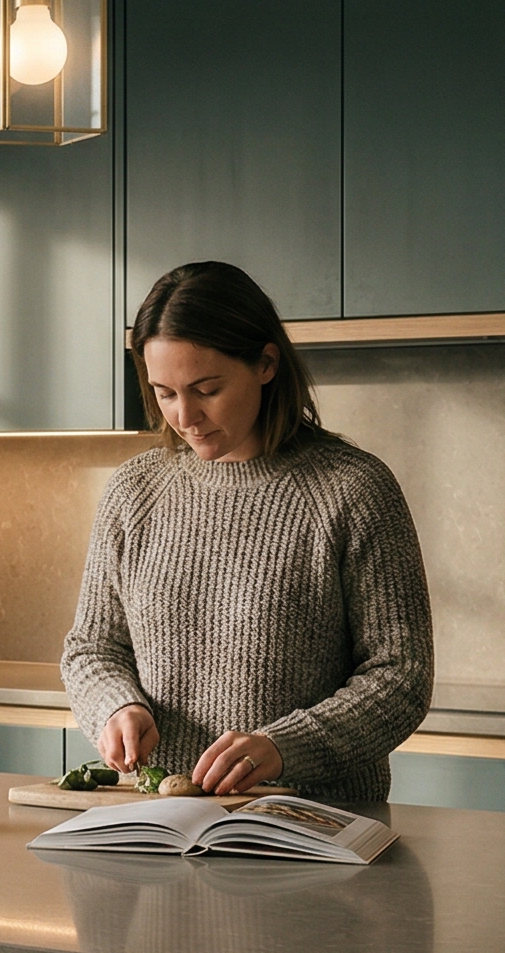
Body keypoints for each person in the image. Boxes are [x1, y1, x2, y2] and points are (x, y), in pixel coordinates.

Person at [61, 261, 434, 805]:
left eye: (206, 389)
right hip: (161, 825)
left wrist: (284, 748)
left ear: (265, 363)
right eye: (164, 392)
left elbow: (401, 676)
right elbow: (92, 648)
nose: (185, 416)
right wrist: (117, 705)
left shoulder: (352, 489)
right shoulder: (135, 491)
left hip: (312, 829)